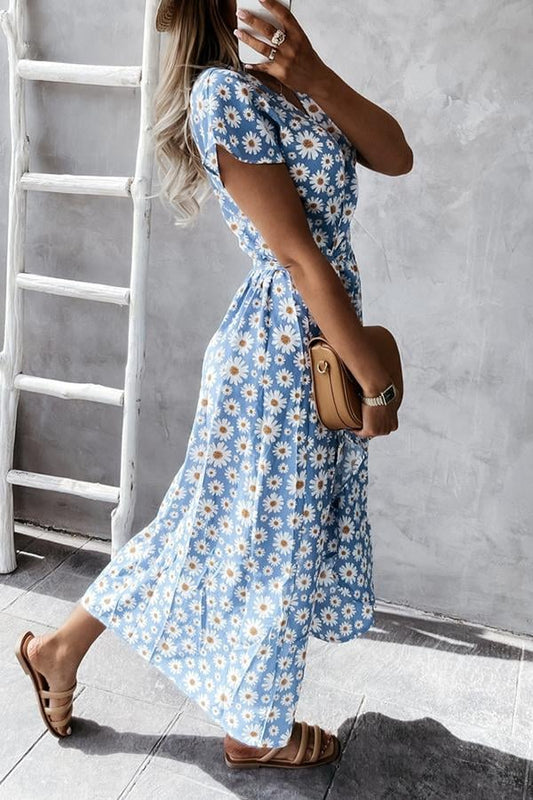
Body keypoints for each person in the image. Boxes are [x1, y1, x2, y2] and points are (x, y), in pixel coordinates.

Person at [15, 0, 411, 770]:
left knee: (205, 522)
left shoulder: (283, 84)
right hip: (280, 351)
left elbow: (395, 155)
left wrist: (316, 75)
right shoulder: (222, 96)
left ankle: (60, 650)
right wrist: (375, 385)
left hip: (309, 337)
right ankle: (253, 730)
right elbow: (295, 256)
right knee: (277, 538)